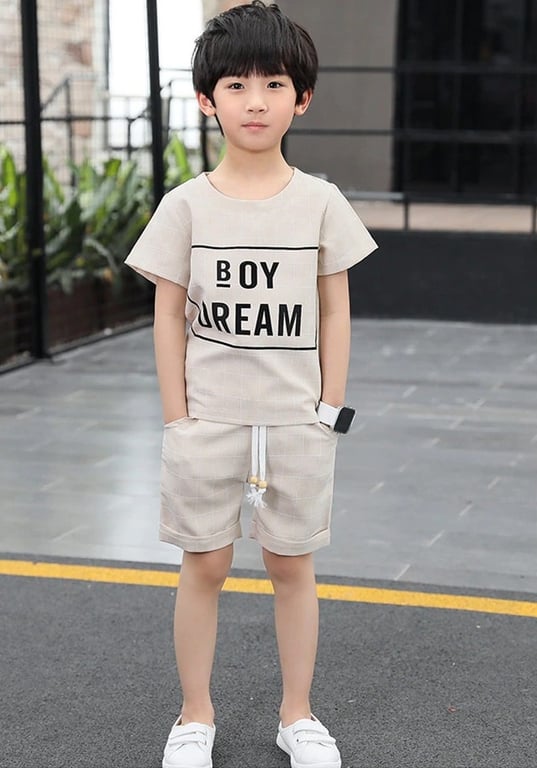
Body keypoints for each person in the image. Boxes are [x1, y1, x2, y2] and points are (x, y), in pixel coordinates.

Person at [125, 2, 377, 766]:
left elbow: (334, 309)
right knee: (202, 565)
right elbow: (167, 315)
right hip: (208, 422)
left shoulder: (320, 202)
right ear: (207, 100)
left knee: (290, 567)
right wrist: (178, 418)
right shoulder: (185, 205)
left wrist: (327, 410)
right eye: (235, 85)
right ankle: (193, 717)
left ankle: (296, 715)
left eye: (273, 84)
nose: (255, 101)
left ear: (302, 98)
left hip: (296, 423)